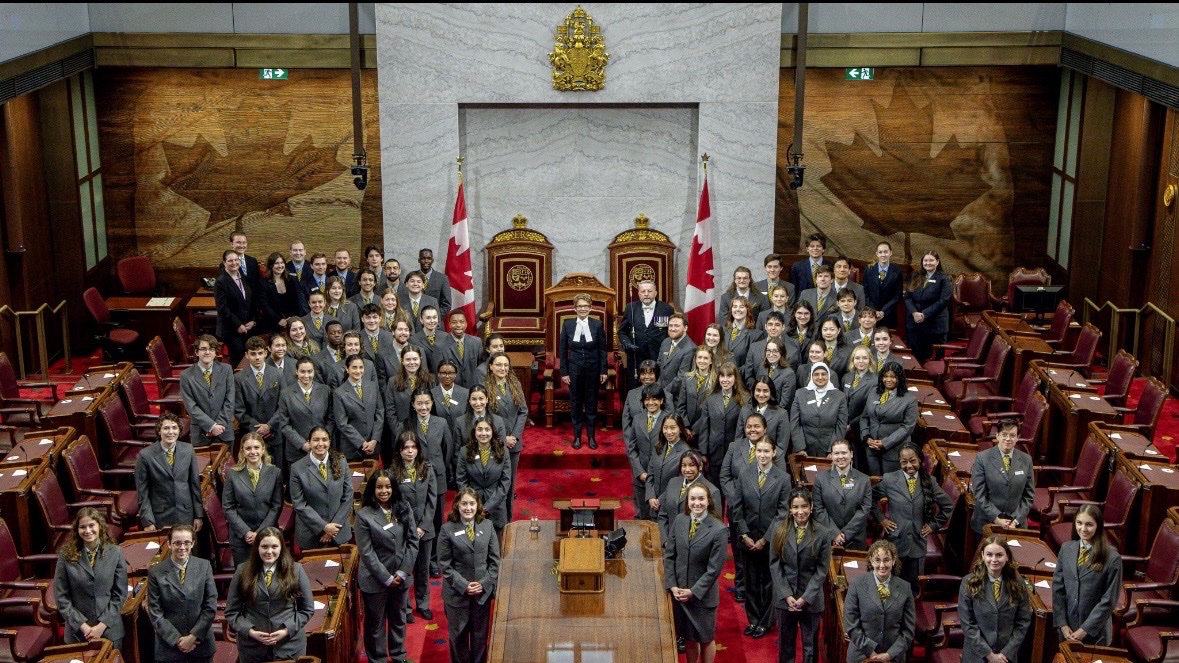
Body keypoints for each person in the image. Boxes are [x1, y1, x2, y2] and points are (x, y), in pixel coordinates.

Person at [225, 527, 315, 663]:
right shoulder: (242, 571)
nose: (269, 551)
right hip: (252, 648)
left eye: (274, 546)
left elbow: (307, 609)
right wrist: (250, 631)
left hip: (289, 646)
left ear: (281, 548)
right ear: (257, 548)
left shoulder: (296, 570)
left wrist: (286, 630)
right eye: (264, 547)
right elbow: (232, 612)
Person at [731, 437, 791, 638]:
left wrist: (764, 539)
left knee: (767, 582)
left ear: (774, 453)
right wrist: (744, 534)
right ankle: (753, 619)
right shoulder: (744, 474)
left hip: (769, 539)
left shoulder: (783, 478)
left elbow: (782, 513)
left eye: (767, 451)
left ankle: (765, 621)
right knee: (750, 581)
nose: (763, 455)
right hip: (747, 538)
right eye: (759, 451)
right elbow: (736, 507)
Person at [356, 470, 418, 663]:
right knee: (376, 624)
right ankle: (378, 659)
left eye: (388, 486)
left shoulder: (404, 507)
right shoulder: (364, 515)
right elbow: (366, 552)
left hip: (401, 575)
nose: (384, 491)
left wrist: (401, 572)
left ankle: (399, 655)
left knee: (399, 619)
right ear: (373, 490)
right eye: (380, 487)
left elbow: (413, 541)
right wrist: (387, 577)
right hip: (375, 580)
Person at [872, 444, 953, 592]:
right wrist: (881, 519)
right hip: (895, 541)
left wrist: (933, 525)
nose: (909, 465)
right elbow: (870, 498)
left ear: (920, 460)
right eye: (904, 462)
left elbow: (948, 506)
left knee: (913, 589)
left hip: (917, 543)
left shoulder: (930, 481)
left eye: (912, 461)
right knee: (890, 585)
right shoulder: (890, 480)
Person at [664, 484, 728, 663]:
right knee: (689, 637)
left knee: (705, 639)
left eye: (701, 499)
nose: (697, 503)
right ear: (687, 501)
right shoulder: (680, 520)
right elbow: (670, 555)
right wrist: (672, 585)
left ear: (708, 501)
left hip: (702, 597)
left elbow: (714, 569)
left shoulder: (719, 529)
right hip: (680, 592)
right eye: (693, 499)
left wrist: (693, 591)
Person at [770, 487, 833, 663]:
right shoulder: (778, 529)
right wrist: (787, 595)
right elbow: (775, 564)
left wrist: (805, 597)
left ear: (811, 507)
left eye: (804, 506)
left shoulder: (823, 532)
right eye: (796, 507)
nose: (800, 512)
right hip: (785, 598)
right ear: (790, 509)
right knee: (785, 646)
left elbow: (822, 570)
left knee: (810, 647)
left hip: (811, 599)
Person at [54, 508, 128, 650]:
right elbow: (61, 598)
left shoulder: (116, 553)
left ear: (99, 526)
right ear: (77, 530)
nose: (87, 531)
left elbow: (120, 594)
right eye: (82, 527)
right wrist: (84, 626)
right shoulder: (66, 556)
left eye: (91, 525)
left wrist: (101, 626)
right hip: (78, 634)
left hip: (109, 630)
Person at [439, 488, 500, 663]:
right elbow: (445, 565)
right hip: (457, 595)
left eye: (472, 504)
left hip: (482, 594)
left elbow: (494, 561)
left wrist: (484, 583)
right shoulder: (447, 529)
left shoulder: (487, 526)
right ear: (457, 505)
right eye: (464, 503)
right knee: (458, 638)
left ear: (478, 506)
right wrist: (464, 585)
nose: (468, 508)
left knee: (480, 638)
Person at [1051, 504, 1122, 645]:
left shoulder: (1112, 558)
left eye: (1089, 524)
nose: (1083, 529)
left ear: (1098, 526)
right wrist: (1063, 624)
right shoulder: (1066, 549)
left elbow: (1109, 601)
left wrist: (1085, 629)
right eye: (1079, 523)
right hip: (1067, 630)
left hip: (1095, 634)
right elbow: (1058, 588)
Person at [147, 524, 218, 662]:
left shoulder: (204, 566)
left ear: (193, 543)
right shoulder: (156, 572)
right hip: (170, 648)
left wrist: (192, 637)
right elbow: (155, 613)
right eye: (177, 543)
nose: (182, 547)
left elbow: (210, 606)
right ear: (169, 544)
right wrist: (177, 640)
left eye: (187, 543)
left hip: (201, 644)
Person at [958, 535, 1032, 663]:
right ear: (982, 555)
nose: (994, 559)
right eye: (989, 554)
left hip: (1006, 657)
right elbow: (968, 624)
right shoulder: (969, 582)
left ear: (1007, 556)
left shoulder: (1018, 583)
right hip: (977, 656)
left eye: (999, 555)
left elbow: (1023, 622)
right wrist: (989, 655)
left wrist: (1006, 653)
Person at [390, 431, 438, 622]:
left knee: (423, 569)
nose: (410, 452)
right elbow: (394, 503)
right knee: (406, 569)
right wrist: (410, 529)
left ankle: (423, 604)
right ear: (399, 451)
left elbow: (432, 500)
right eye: (406, 448)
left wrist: (423, 526)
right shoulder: (393, 472)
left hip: (425, 529)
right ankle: (406, 608)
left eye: (413, 447)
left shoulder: (427, 468)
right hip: (404, 530)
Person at [843, 540, 916, 663]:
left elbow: (908, 630)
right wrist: (871, 652)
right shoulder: (857, 584)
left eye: (886, 560)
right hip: (861, 654)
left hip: (893, 656)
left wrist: (889, 654)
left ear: (893, 561)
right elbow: (851, 624)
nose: (882, 565)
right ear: (871, 561)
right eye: (877, 560)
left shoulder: (905, 588)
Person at [407, 386, 452, 577]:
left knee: (437, 521)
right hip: (414, 480)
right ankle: (416, 559)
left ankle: (434, 560)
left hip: (438, 477)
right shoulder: (407, 425)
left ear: (432, 403)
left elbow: (447, 450)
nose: (423, 407)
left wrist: (440, 469)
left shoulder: (441, 423)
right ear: (413, 405)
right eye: (419, 403)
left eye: (427, 403)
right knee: (417, 519)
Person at [135, 412, 204, 532]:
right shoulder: (145, 455)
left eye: (174, 428)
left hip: (186, 513)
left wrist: (198, 515)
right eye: (166, 428)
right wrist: (148, 521)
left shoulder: (188, 450)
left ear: (179, 430)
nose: (170, 432)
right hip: (161, 516)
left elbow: (194, 485)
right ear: (159, 431)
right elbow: (142, 492)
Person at [222, 433, 284, 566]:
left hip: (269, 535)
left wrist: (260, 533)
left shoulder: (275, 473)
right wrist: (246, 532)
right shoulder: (232, 474)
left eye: (256, 447)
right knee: (246, 580)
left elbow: (276, 506)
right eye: (248, 448)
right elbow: (228, 507)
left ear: (263, 449)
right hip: (242, 538)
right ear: (242, 452)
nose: (253, 452)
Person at [289, 426, 353, 550]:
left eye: (324, 440)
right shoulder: (297, 468)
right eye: (316, 440)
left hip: (338, 532)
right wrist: (323, 527)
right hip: (311, 534)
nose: (320, 444)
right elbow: (299, 504)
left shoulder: (341, 461)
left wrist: (332, 529)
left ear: (329, 442)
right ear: (309, 442)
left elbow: (348, 495)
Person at [970, 419, 1035, 535]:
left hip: (1015, 524)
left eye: (1012, 435)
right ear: (997, 436)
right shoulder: (983, 458)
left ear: (1017, 438)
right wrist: (996, 518)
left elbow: (1028, 496)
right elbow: (979, 494)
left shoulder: (1026, 460)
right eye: (1004, 435)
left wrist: (1015, 520)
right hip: (987, 522)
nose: (1008, 439)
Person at [561, 293, 607, 450]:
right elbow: (562, 350)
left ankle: (592, 437)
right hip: (574, 370)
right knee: (575, 403)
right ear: (575, 308)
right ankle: (577, 437)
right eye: (580, 306)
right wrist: (564, 372)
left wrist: (603, 370)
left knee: (591, 403)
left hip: (593, 369)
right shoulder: (567, 325)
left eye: (586, 306)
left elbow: (602, 349)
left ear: (590, 308)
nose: (583, 309)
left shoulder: (597, 325)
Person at [456, 419, 513, 541]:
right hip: (471, 509)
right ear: (474, 432)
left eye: (487, 429)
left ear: (493, 432)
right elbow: (462, 481)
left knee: (495, 550)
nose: (483, 433)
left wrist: (486, 508)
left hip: (496, 508)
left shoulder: (503, 451)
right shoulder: (464, 451)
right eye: (480, 429)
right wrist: (473, 504)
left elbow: (505, 482)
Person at [486, 352, 528, 515]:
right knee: (495, 483)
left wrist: (514, 437)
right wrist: (502, 438)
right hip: (493, 442)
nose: (502, 368)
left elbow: (523, 411)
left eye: (505, 365)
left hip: (513, 444)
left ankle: (508, 521)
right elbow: (485, 417)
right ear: (491, 367)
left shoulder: (515, 384)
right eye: (498, 364)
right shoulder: (486, 387)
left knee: (509, 484)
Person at [811, 439, 872, 550]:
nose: (840, 457)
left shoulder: (864, 479)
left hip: (855, 538)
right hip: (827, 537)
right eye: (836, 453)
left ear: (851, 454)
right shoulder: (820, 478)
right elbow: (818, 509)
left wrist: (845, 534)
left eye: (844, 453)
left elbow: (865, 509)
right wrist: (834, 533)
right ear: (831, 456)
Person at [278, 357, 333, 477]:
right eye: (303, 371)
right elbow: (284, 424)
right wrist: (303, 444)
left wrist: (322, 441)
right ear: (296, 372)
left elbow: (331, 419)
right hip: (297, 451)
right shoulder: (286, 394)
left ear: (314, 372)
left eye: (310, 371)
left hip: (322, 449)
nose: (306, 375)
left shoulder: (325, 390)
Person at [861, 361, 918, 476]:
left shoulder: (910, 400)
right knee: (874, 482)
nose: (888, 380)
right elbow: (864, 417)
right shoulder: (874, 392)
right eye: (885, 376)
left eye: (893, 377)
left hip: (894, 450)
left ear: (900, 378)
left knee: (891, 485)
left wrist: (885, 442)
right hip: (872, 448)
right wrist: (866, 437)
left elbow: (907, 427)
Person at [696, 362, 748, 487]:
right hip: (714, 453)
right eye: (722, 376)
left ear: (735, 378)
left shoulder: (745, 399)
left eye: (729, 376)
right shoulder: (710, 399)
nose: (725, 380)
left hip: (735, 452)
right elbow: (704, 428)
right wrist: (703, 452)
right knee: (715, 486)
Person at [656, 450, 722, 546]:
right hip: (670, 546)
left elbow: (713, 526)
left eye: (691, 465)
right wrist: (666, 541)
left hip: (696, 548)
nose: (687, 469)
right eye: (684, 465)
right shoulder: (673, 482)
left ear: (700, 466)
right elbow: (662, 515)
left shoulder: (712, 491)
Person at [618, 280, 674, 393]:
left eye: (649, 291)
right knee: (635, 388)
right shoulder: (631, 308)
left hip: (658, 356)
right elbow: (622, 332)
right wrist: (627, 344)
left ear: (655, 293)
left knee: (657, 388)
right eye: (643, 291)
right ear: (639, 294)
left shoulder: (666, 309)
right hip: (635, 357)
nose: (646, 294)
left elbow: (671, 333)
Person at [180, 334, 235, 446]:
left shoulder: (226, 370)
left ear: (215, 353)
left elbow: (230, 399)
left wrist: (218, 425)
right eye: (203, 349)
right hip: (201, 433)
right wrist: (211, 426)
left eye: (211, 349)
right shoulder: (186, 375)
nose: (207, 352)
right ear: (196, 352)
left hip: (224, 430)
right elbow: (191, 407)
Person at [236, 336, 284, 458]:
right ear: (246, 355)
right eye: (253, 354)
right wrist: (258, 429)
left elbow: (284, 404)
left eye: (260, 353)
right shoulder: (238, 378)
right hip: (251, 436)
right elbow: (238, 410)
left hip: (275, 433)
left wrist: (269, 426)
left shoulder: (277, 374)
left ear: (266, 353)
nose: (257, 357)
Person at [627, 384, 669, 521]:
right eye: (647, 399)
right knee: (644, 518)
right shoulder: (637, 419)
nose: (650, 403)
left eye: (654, 399)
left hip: (662, 477)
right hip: (641, 477)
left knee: (661, 517)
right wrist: (639, 471)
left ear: (662, 400)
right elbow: (631, 448)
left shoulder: (669, 420)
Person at [903, 249, 952, 363]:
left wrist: (924, 315)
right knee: (914, 357)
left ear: (937, 262)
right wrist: (914, 313)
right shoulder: (915, 275)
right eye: (925, 260)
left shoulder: (945, 279)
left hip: (934, 325)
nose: (928, 263)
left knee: (932, 360)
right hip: (915, 323)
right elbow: (908, 297)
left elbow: (943, 301)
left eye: (931, 260)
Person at [332, 354, 384, 462]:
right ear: (347, 369)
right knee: (356, 479)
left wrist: (374, 440)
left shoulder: (373, 386)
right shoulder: (339, 393)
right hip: (352, 449)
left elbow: (380, 412)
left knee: (374, 478)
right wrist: (361, 443)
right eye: (354, 367)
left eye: (361, 367)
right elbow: (342, 423)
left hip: (372, 447)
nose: (358, 371)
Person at [789, 362, 848, 457]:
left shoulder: (840, 396)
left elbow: (841, 425)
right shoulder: (800, 394)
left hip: (828, 450)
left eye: (823, 374)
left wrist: (833, 450)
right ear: (811, 376)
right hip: (804, 450)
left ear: (828, 375)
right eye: (816, 374)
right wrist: (800, 447)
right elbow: (794, 423)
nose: (820, 377)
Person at [214, 249, 257, 365]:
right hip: (231, 328)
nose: (234, 263)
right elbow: (222, 309)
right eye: (230, 261)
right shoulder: (221, 282)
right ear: (224, 263)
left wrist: (253, 320)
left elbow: (251, 301)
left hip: (247, 325)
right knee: (239, 358)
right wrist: (238, 325)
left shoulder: (242, 276)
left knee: (252, 355)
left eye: (236, 260)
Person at [645, 414, 692, 519]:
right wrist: (650, 496)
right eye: (665, 428)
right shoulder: (658, 447)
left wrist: (659, 500)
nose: (668, 432)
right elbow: (650, 474)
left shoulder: (686, 452)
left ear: (680, 429)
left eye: (673, 428)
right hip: (653, 505)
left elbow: (681, 483)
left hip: (672, 507)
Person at [843, 345, 877, 470]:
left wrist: (851, 425)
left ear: (870, 360)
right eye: (857, 358)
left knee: (859, 463)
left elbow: (868, 410)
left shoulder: (875, 381)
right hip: (844, 425)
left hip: (860, 428)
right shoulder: (847, 377)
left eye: (864, 358)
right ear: (853, 360)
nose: (861, 361)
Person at [675, 347, 716, 444]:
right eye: (699, 357)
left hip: (704, 432)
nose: (702, 361)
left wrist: (694, 430)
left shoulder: (715, 382)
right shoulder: (687, 378)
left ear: (711, 361)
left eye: (706, 358)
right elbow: (681, 405)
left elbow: (711, 411)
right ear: (695, 359)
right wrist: (686, 427)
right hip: (685, 431)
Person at [259, 252, 306, 333]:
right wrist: (278, 320)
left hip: (291, 322)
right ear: (271, 265)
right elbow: (264, 304)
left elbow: (296, 301)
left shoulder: (292, 280)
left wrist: (290, 318)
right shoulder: (263, 282)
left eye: (282, 263)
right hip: (271, 323)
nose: (280, 266)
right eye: (276, 263)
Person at [738, 378, 788, 450]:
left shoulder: (781, 414)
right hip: (745, 457)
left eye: (765, 391)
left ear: (771, 392)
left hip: (769, 458)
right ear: (753, 391)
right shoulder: (745, 410)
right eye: (758, 390)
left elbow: (781, 447)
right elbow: (739, 438)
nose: (761, 394)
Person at [864, 241, 903, 329]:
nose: (883, 255)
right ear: (877, 254)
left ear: (890, 253)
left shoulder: (897, 272)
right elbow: (865, 292)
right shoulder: (868, 270)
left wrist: (883, 311)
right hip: (870, 315)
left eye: (886, 252)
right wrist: (874, 311)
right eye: (880, 252)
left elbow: (897, 295)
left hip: (889, 315)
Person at [440, 310, 483, 387]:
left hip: (473, 389)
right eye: (454, 322)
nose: (458, 325)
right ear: (449, 324)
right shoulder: (440, 346)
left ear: (466, 324)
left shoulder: (476, 342)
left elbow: (481, 369)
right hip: (451, 391)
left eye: (461, 322)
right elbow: (439, 375)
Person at [722, 296, 764, 369]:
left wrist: (734, 374)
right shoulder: (722, 331)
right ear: (731, 310)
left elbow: (753, 363)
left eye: (741, 307)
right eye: (735, 306)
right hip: (721, 377)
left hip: (742, 377)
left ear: (748, 310)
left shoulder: (756, 335)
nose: (738, 309)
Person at [755, 338, 798, 411]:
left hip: (776, 414)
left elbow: (785, 403)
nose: (771, 354)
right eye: (768, 350)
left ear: (782, 353)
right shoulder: (762, 367)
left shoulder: (788, 374)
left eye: (775, 351)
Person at [657, 313, 696, 389]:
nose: (672, 329)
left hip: (675, 396)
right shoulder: (666, 341)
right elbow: (659, 364)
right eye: (670, 325)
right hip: (660, 390)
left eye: (677, 326)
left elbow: (681, 377)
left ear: (685, 328)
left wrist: (663, 393)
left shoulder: (690, 349)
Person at [409, 248, 451, 317]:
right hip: (414, 322)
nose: (426, 261)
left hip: (435, 323)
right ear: (419, 260)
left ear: (432, 260)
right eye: (423, 258)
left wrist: (433, 318)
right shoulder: (411, 277)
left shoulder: (442, 278)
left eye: (429, 258)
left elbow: (446, 304)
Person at [432, 359, 469, 428]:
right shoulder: (431, 394)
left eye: (451, 373)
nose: (447, 376)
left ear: (455, 374)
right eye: (443, 373)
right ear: (438, 374)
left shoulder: (465, 393)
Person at [816, 318, 851, 382]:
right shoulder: (815, 348)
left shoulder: (847, 351)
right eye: (825, 330)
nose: (828, 332)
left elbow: (848, 375)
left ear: (839, 330)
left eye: (832, 330)